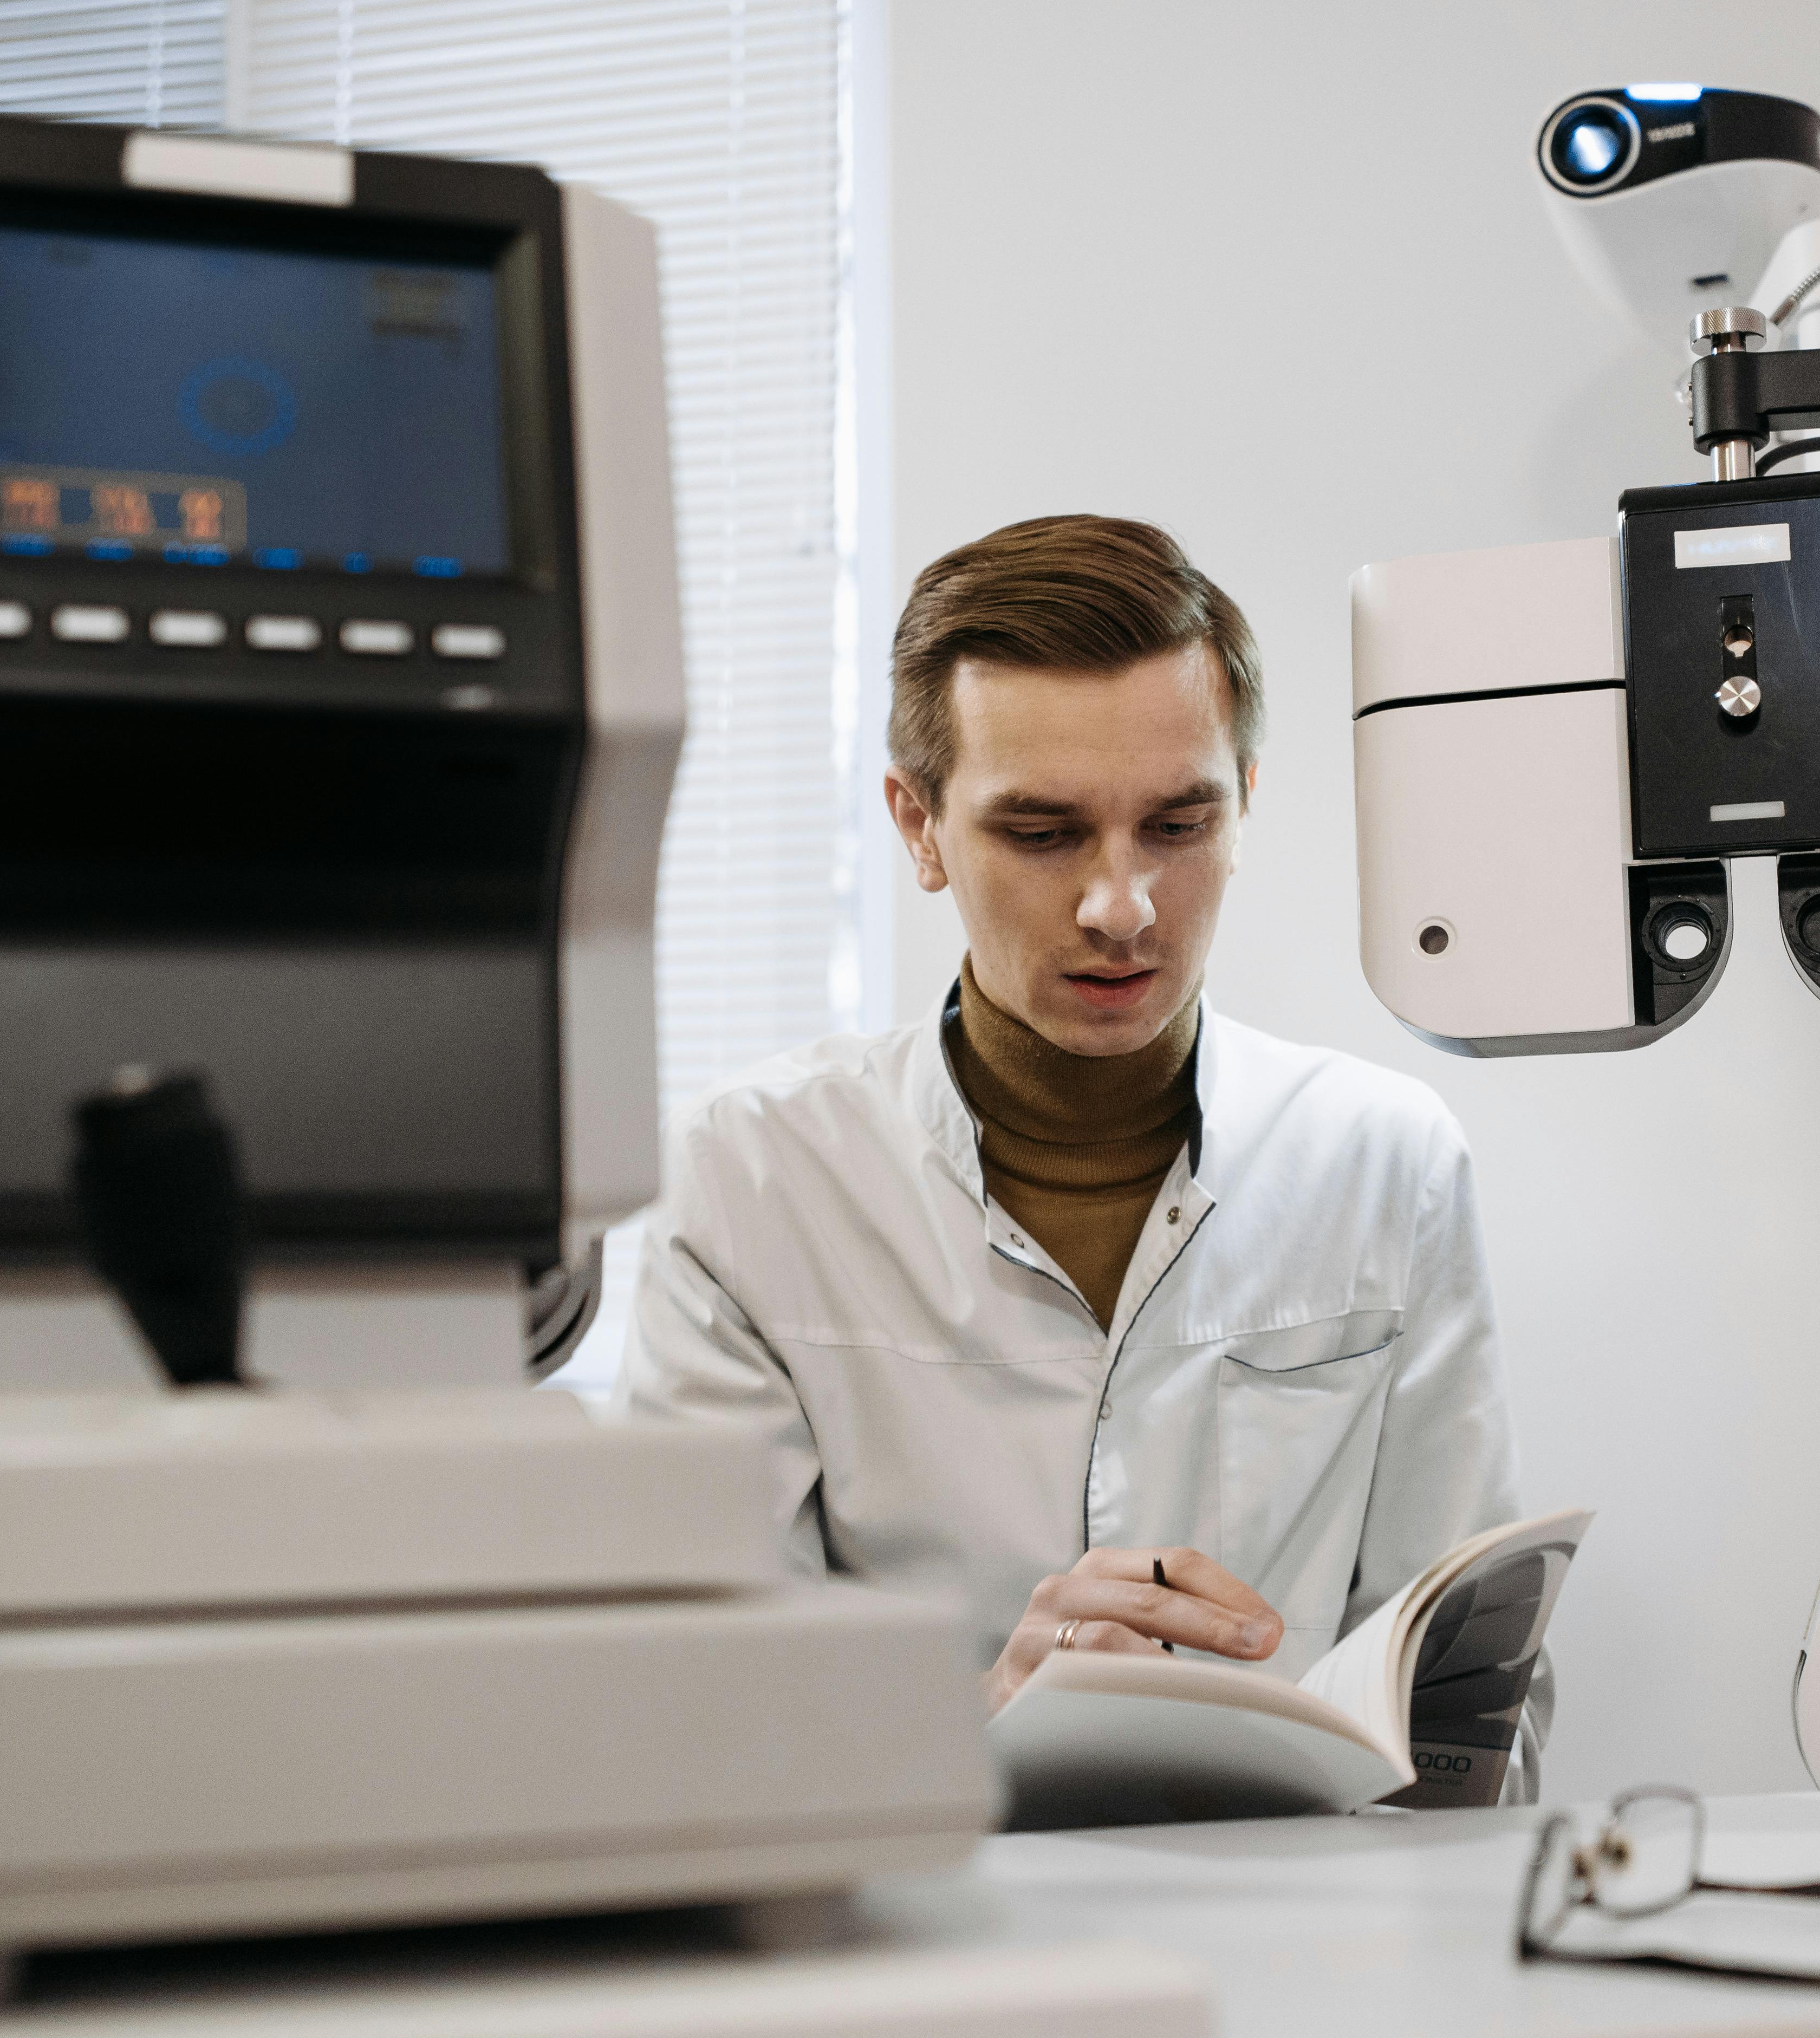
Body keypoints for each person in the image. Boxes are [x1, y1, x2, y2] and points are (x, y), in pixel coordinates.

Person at [621, 514, 1540, 1774]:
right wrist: (983, 1731)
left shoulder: (1386, 1163)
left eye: (1176, 825)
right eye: (1042, 834)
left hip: (1313, 1929)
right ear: (918, 826)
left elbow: (1472, 1703)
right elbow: (695, 1724)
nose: (1121, 907)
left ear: (1243, 808)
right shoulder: (748, 1182)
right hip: (913, 1931)